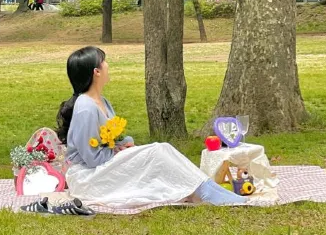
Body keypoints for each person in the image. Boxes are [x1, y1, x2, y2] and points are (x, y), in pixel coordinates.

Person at [56, 46, 250, 210]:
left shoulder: (102, 102)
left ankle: (206, 188)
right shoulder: (85, 107)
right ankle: (206, 191)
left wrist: (123, 145)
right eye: (104, 62)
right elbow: (91, 158)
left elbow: (110, 140)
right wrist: (118, 152)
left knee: (162, 148)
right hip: (88, 178)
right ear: (96, 72)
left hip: (103, 166)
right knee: (157, 152)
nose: (108, 65)